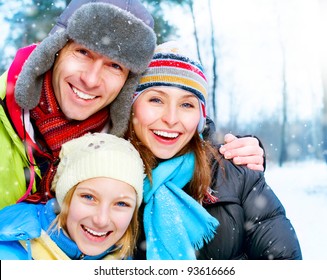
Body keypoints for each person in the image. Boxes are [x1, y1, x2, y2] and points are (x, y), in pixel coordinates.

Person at [127, 41, 302, 260]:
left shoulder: (236, 173)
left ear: (200, 118)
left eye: (186, 105)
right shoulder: (107, 174)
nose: (171, 119)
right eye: (156, 99)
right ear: (132, 105)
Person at [0, 0, 156, 209]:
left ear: (127, 84)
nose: (91, 80)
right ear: (55, 49)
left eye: (115, 65)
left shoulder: (131, 151)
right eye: (83, 52)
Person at [0, 133, 144, 260]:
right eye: (89, 197)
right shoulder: (9, 251)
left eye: (121, 204)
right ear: (66, 198)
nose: (101, 220)